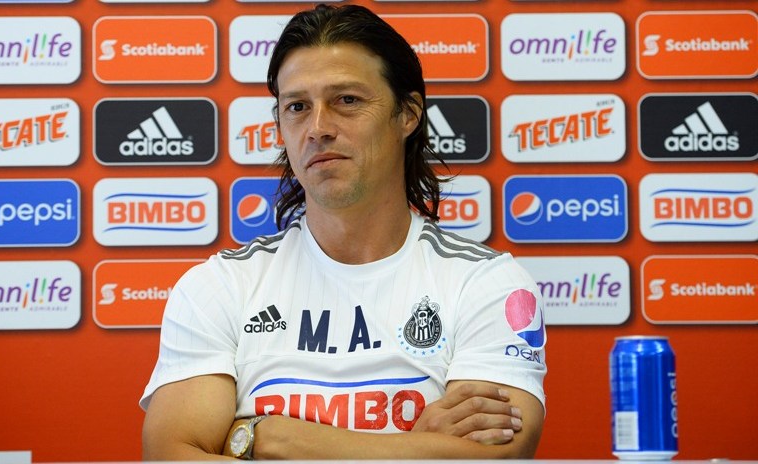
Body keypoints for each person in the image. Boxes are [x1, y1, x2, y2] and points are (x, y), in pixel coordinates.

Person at [140, 3, 546, 460]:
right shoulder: (219, 286)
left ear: (408, 114)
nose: (318, 128)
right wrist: (416, 446)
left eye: (347, 100)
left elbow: (497, 455)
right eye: (297, 107)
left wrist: (269, 437)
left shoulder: (488, 283)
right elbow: (171, 454)